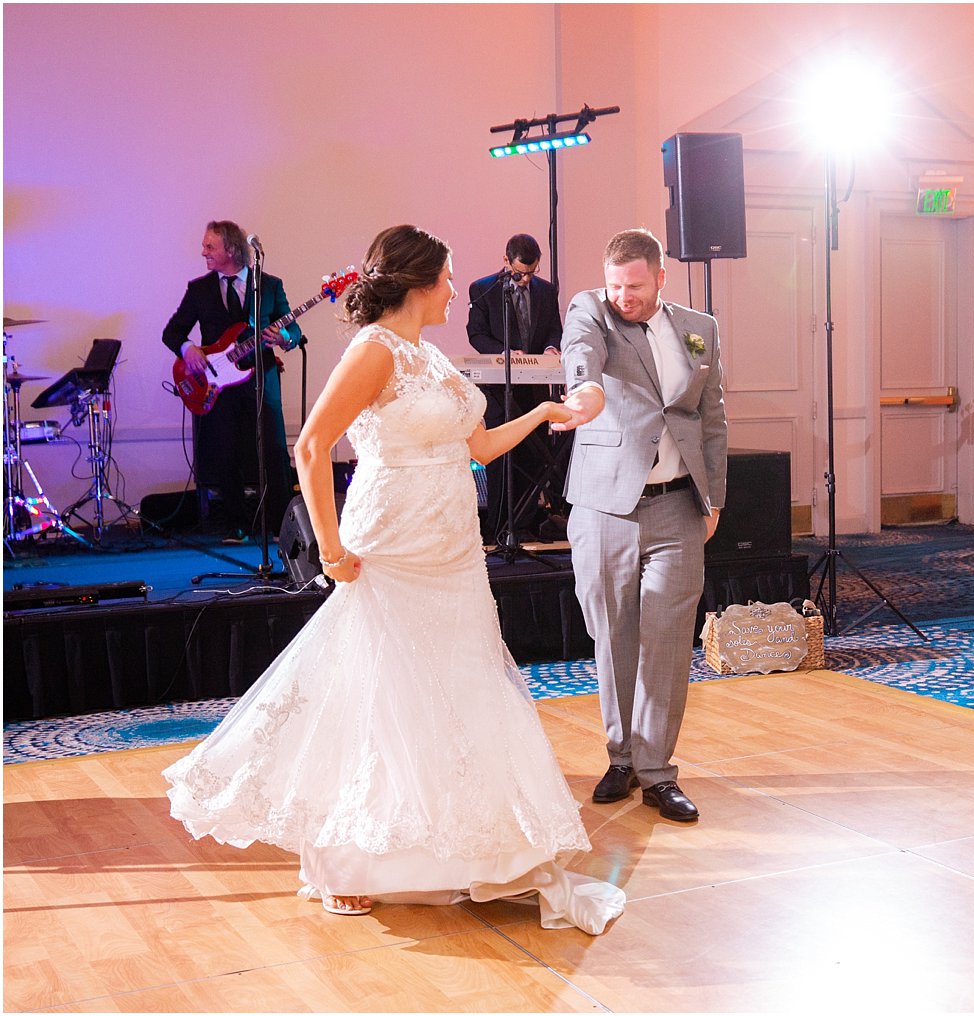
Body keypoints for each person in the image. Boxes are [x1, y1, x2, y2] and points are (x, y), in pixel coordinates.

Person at [164, 225, 625, 932]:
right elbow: (312, 445)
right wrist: (328, 548)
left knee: (454, 689)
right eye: (445, 278)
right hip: (392, 544)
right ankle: (347, 863)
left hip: (452, 549)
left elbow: (476, 445)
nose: (452, 289)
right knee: (376, 690)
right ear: (415, 283)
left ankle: (461, 850)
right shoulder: (375, 351)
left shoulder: (429, 356)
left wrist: (541, 413)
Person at [551, 227, 728, 823]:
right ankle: (619, 757)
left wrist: (715, 498)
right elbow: (581, 350)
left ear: (660, 278)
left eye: (635, 285)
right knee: (614, 633)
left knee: (669, 640)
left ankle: (656, 771)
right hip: (606, 505)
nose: (623, 296)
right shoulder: (591, 310)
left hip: (679, 504)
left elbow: (712, 417)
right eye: (615, 285)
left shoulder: (700, 328)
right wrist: (584, 390)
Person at [162, 220, 299, 542]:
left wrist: (283, 337)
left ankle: (279, 525)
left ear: (232, 250)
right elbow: (172, 332)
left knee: (274, 450)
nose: (203, 252)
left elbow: (295, 331)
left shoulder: (269, 285)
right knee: (225, 452)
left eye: (210, 247)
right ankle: (236, 525)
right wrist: (189, 349)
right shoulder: (199, 289)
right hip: (218, 384)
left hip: (261, 377)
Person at [466, 234, 565, 544]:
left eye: (532, 273)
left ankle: (524, 524)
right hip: (499, 388)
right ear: (505, 261)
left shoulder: (546, 291)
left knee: (535, 454)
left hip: (533, 387)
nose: (525, 280)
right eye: (520, 272)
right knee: (502, 456)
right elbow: (476, 333)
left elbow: (554, 329)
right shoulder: (483, 289)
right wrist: (504, 352)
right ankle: (498, 527)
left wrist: (550, 348)